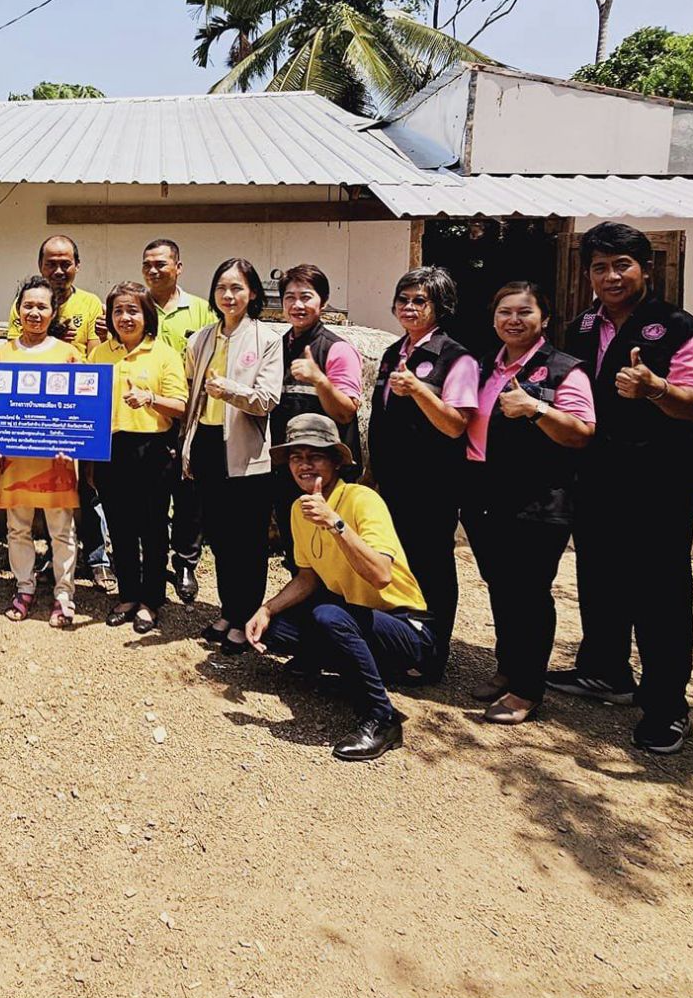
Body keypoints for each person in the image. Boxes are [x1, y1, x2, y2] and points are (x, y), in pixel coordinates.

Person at [546, 222, 693, 756]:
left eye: (621, 265)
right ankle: (606, 672)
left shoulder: (683, 330)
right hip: (596, 479)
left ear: (647, 269)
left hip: (658, 484)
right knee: (599, 578)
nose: (611, 277)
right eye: (599, 267)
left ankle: (667, 706)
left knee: (659, 594)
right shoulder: (581, 327)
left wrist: (656, 388)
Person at [245, 414, 438, 762]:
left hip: (406, 627)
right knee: (274, 628)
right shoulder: (298, 509)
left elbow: (381, 575)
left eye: (314, 456)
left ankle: (383, 719)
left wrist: (334, 523)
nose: (304, 465)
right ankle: (348, 668)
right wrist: (266, 609)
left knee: (328, 615)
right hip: (356, 616)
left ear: (335, 461)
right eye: (296, 457)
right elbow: (307, 578)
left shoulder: (362, 500)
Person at [459, 281, 596, 724]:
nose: (513, 320)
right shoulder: (483, 365)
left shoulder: (564, 370)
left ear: (545, 319)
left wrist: (536, 409)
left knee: (529, 594)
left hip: (537, 501)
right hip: (485, 495)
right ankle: (508, 668)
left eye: (524, 312)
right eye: (505, 312)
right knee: (501, 586)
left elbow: (582, 433)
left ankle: (526, 689)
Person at [368, 266, 479, 674]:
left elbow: (456, 424)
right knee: (398, 564)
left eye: (420, 301)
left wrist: (418, 391)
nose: (409, 308)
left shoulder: (457, 357)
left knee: (431, 566)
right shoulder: (393, 352)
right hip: (392, 480)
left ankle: (432, 654)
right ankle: (401, 644)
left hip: (433, 483)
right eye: (404, 300)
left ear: (440, 306)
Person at [179, 257, 284, 654]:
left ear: (252, 293)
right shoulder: (200, 339)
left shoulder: (266, 339)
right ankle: (228, 610)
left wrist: (230, 391)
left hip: (245, 449)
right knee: (221, 536)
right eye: (221, 287)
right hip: (206, 444)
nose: (228, 295)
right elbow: (191, 393)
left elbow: (268, 399)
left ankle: (245, 618)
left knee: (248, 540)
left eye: (237, 287)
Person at [0, 276, 84, 626]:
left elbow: (81, 410)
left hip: (57, 461)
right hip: (14, 462)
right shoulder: (1, 354)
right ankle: (24, 587)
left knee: (62, 531)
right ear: (18, 309)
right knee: (17, 528)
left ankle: (64, 594)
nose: (35, 313)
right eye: (28, 305)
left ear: (53, 311)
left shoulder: (69, 354)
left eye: (42, 306)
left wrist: (75, 443)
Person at [90, 281, 188, 632]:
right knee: (120, 528)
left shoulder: (164, 354)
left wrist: (150, 398)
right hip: (111, 450)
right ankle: (128, 595)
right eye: (118, 310)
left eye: (132, 310)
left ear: (147, 315)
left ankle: (151, 600)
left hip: (152, 450)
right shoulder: (100, 354)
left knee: (153, 529)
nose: (125, 317)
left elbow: (181, 406)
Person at [11, 234, 110, 580]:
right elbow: (15, 353)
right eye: (50, 263)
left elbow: (95, 357)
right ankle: (52, 557)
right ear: (40, 266)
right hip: (35, 411)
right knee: (46, 487)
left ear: (77, 266)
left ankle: (97, 557)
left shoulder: (91, 303)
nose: (58, 269)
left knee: (86, 486)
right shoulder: (26, 303)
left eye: (65, 263)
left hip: (76, 410)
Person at [269, 264, 363, 570]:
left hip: (327, 472)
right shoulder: (277, 348)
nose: (297, 305)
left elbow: (346, 412)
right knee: (298, 553)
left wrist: (319, 379)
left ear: (323, 302)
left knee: (333, 554)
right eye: (290, 297)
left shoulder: (337, 349)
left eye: (306, 297)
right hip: (289, 469)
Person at [141, 238, 216, 604]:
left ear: (178, 267)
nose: (153, 270)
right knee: (150, 496)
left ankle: (185, 563)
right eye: (147, 265)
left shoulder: (201, 310)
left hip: (190, 418)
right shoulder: (136, 306)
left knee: (189, 495)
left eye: (161, 264)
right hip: (145, 418)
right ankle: (149, 561)